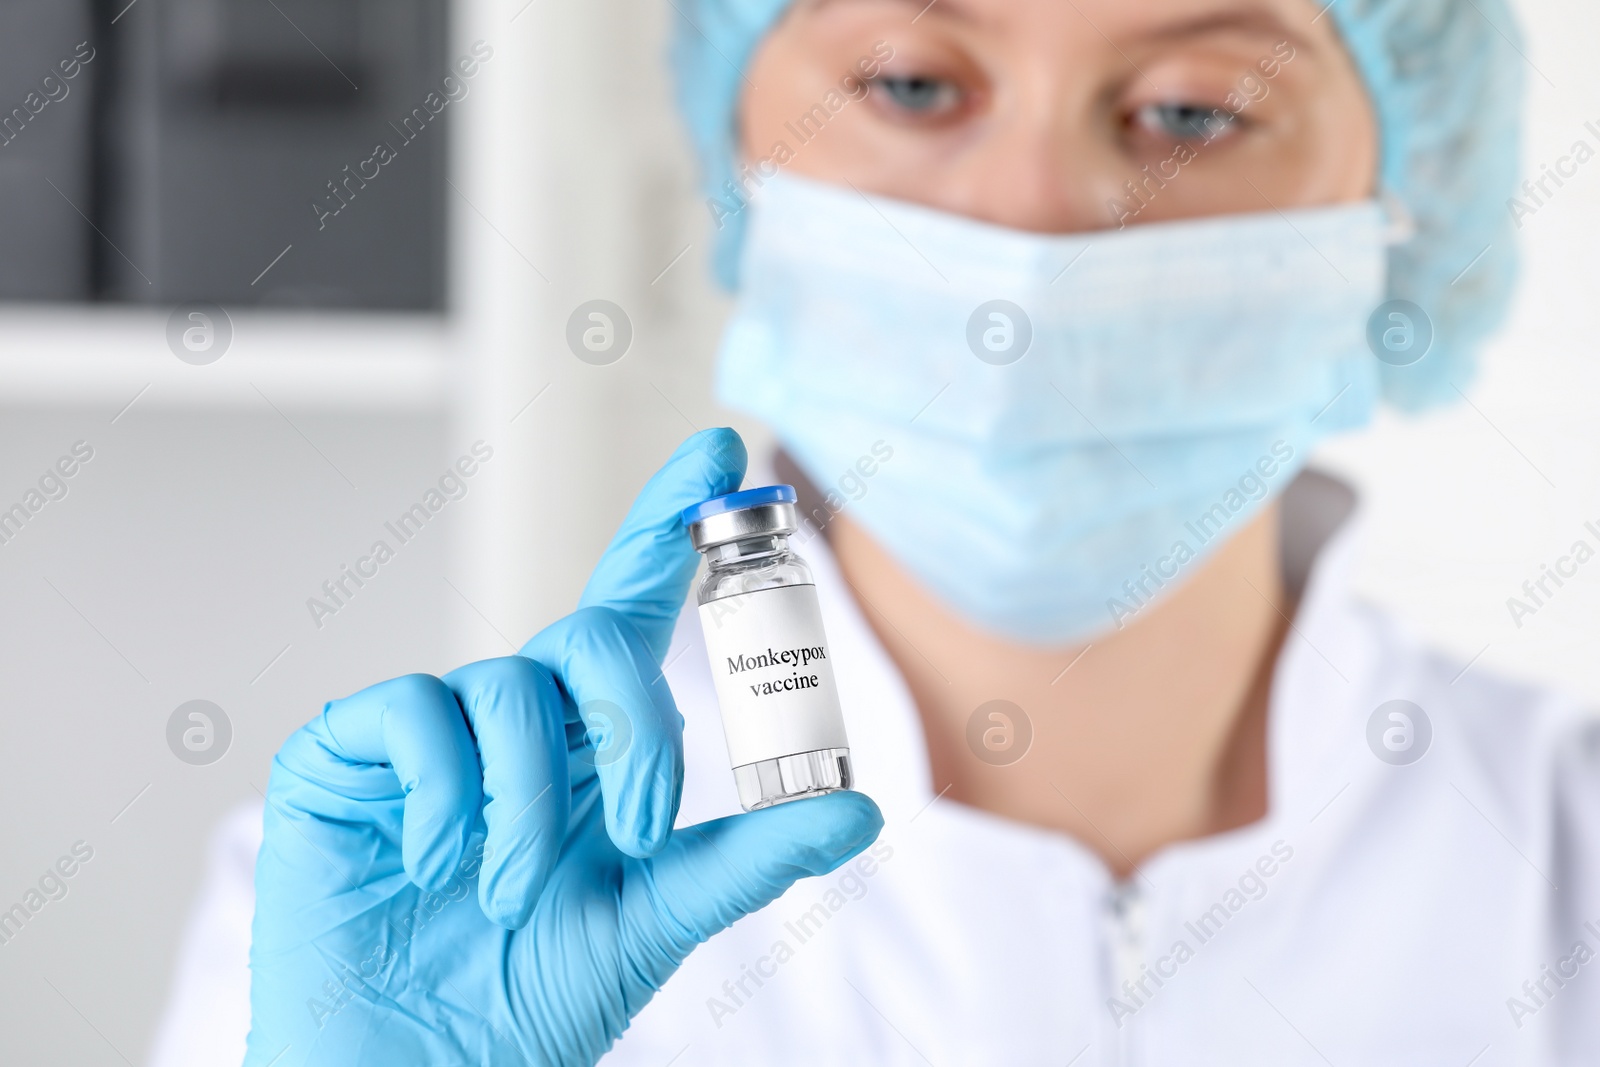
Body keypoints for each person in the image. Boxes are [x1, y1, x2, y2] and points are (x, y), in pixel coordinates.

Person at [152, 0, 1600, 1064]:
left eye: (1192, 110)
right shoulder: (423, 885)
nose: (1034, 220)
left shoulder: (1564, 866)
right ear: (734, 148)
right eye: (911, 82)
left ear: (1404, 200)